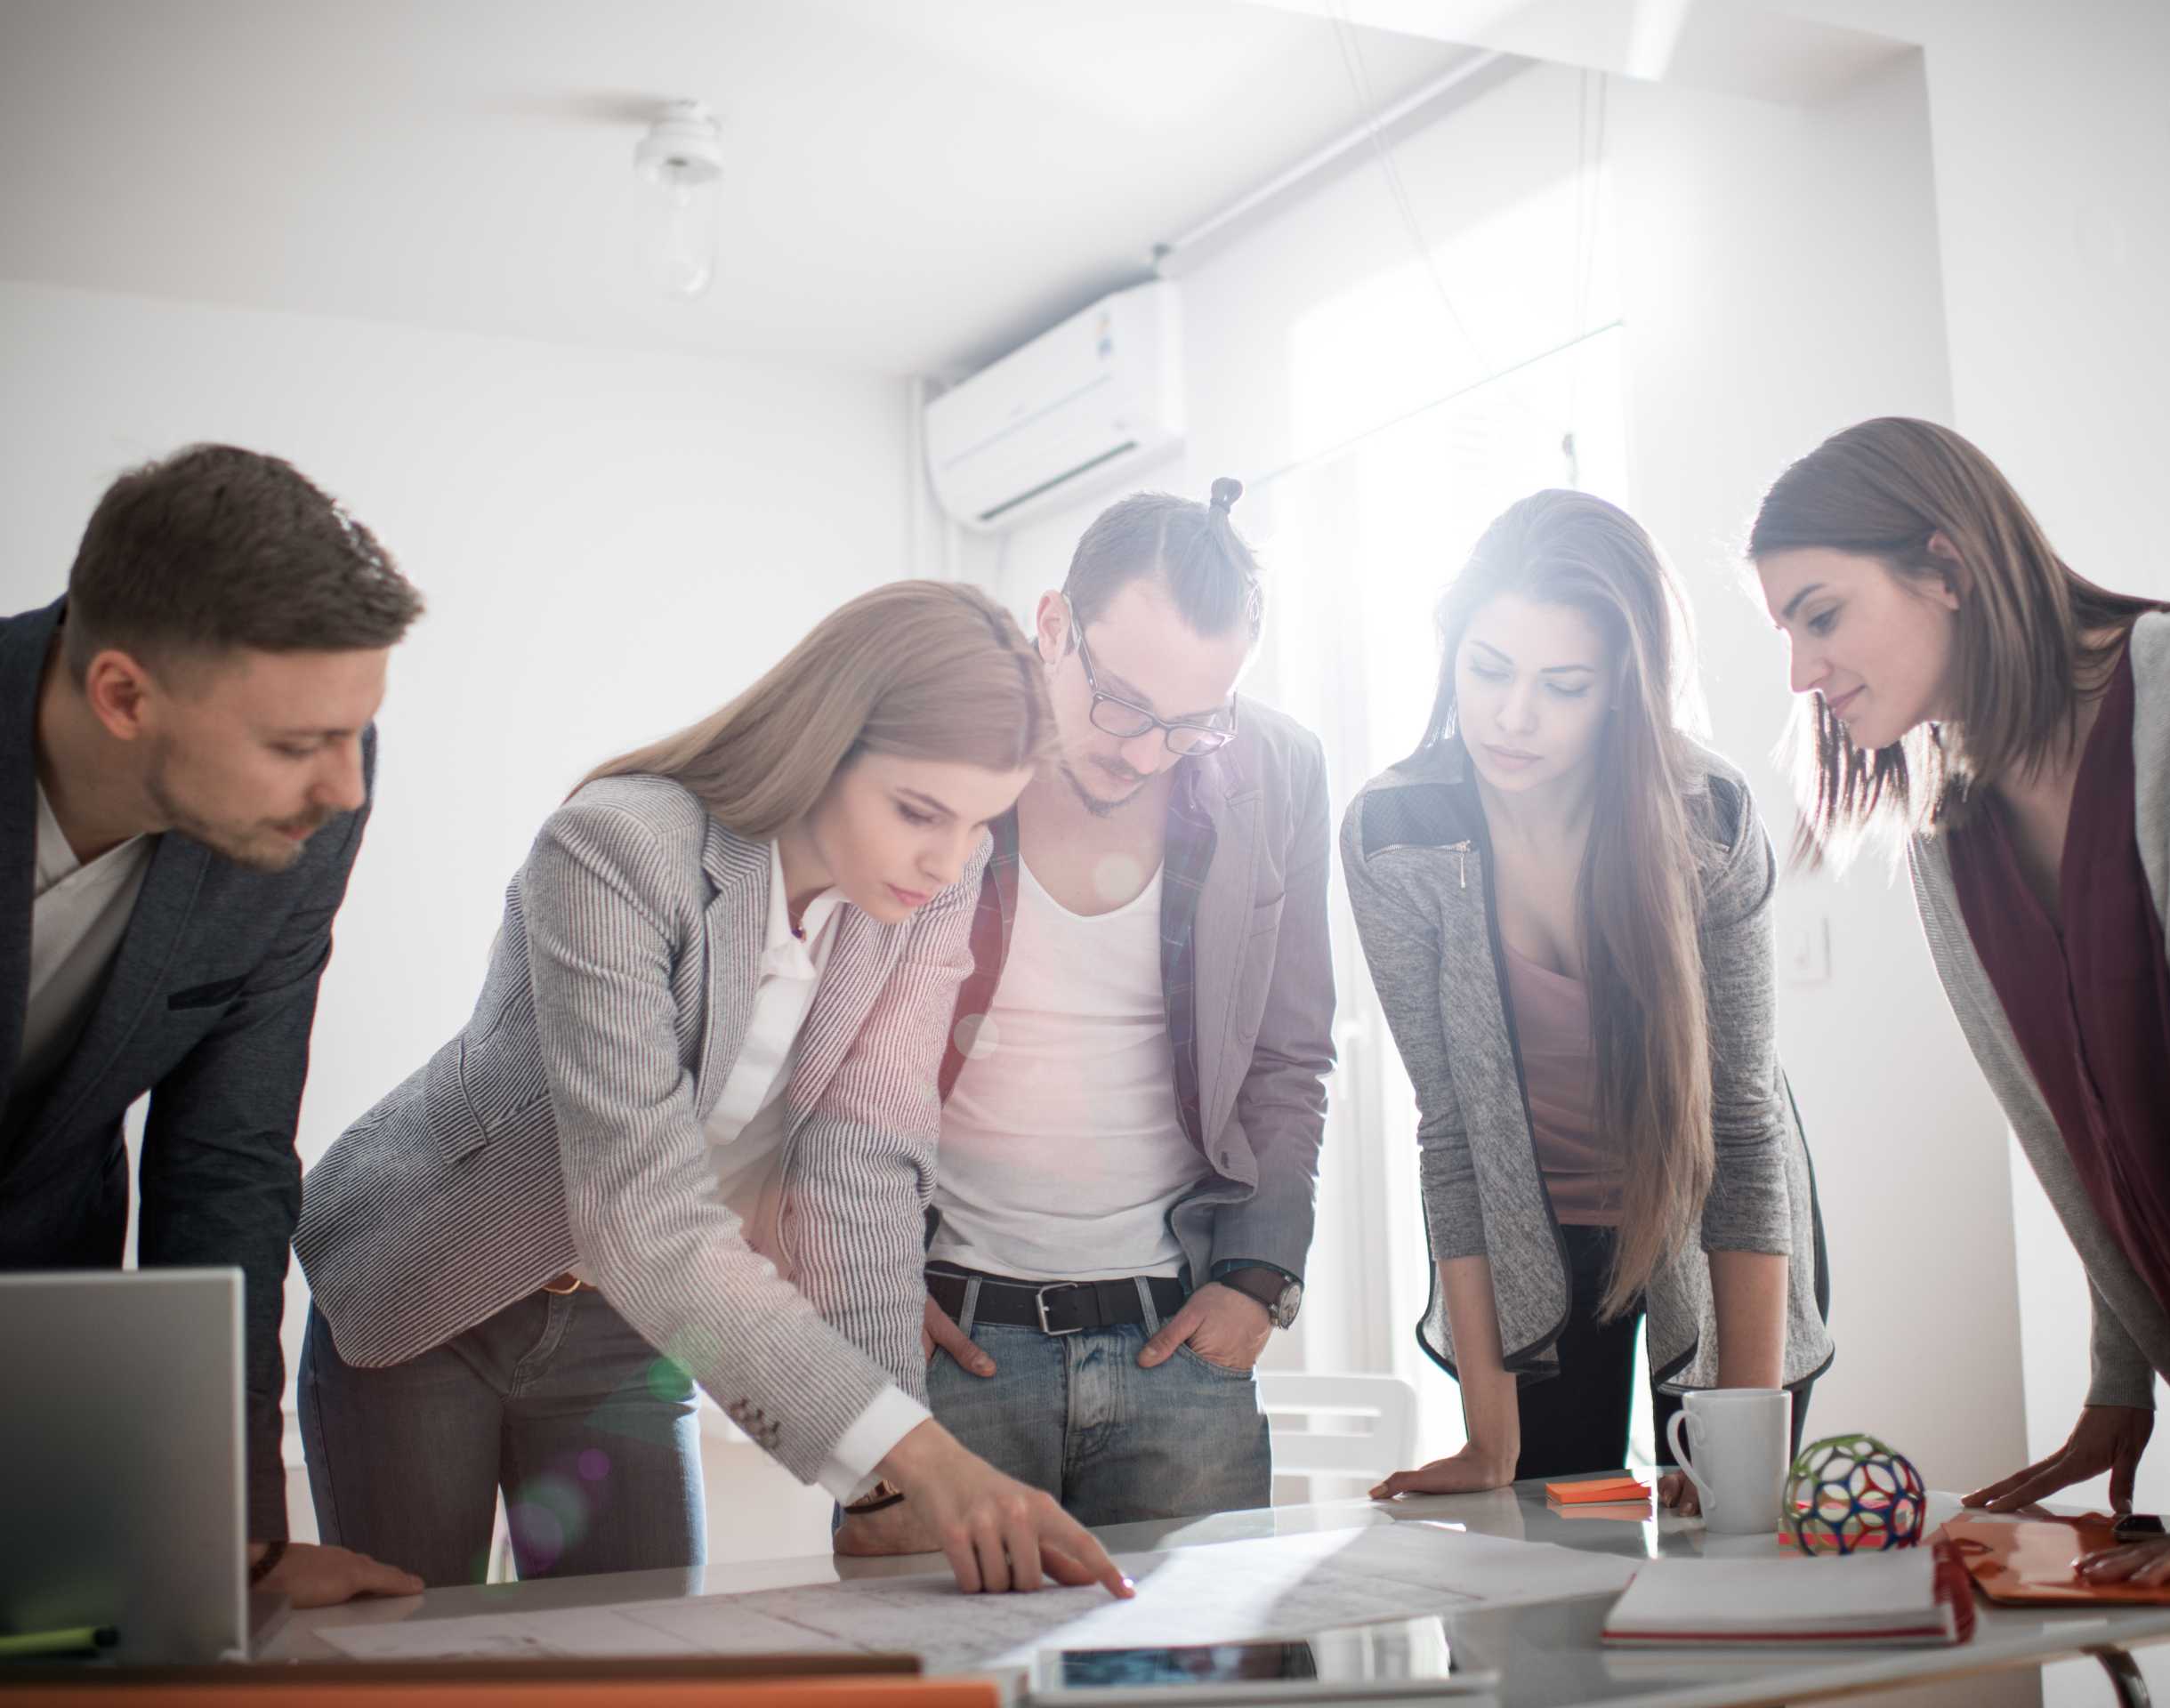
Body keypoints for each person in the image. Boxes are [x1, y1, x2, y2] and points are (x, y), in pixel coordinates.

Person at [294, 580, 1130, 1599]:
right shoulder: (617, 846)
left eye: (977, 824)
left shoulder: (929, 889)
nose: (947, 859)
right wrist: (926, 1460)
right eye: (918, 811)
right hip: (435, 1292)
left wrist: (885, 1487)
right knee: (412, 1667)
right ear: (824, 743)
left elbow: (861, 1164)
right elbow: (640, 1209)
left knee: (646, 1668)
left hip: (627, 1326)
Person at [1752, 415, 2170, 1587]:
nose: (1800, 672)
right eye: (1786, 631)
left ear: (1946, 567)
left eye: (1821, 613)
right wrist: (2121, 1387)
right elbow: (2089, 1127)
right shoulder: (1951, 826)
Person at [838, 480, 1335, 1543]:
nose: (1145, 751)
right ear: (1052, 624)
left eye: (1191, 724)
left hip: (1179, 1350)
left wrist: (1256, 1278)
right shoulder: (943, 762)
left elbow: (1288, 1056)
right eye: (1120, 704)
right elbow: (838, 1051)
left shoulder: (1277, 772)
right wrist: (867, 1287)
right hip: (943, 1341)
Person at [0, 443, 426, 1607]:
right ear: (124, 696)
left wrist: (232, 1538)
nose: (346, 789)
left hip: (46, 1323)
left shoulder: (309, 808)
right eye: (297, 745)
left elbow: (227, 1164)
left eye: (355, 733)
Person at [1344, 489, 1831, 1503]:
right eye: (1487, 671)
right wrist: (1487, 1439)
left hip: (1712, 1217)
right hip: (1536, 1235)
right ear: (1451, 649)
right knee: (1551, 1584)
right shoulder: (1397, 835)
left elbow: (1742, 1135)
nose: (1511, 718)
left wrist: (1743, 1447)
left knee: (1726, 1555)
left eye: (1561, 686)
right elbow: (1452, 1141)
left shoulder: (1709, 816)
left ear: (1621, 687)